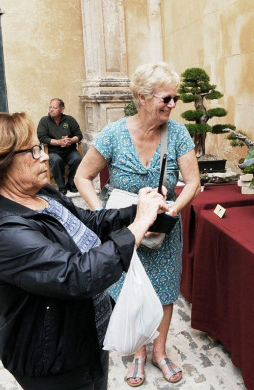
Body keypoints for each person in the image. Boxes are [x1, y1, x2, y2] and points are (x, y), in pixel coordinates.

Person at [0, 111, 168, 390]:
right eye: (34, 150)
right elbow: (77, 275)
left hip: (87, 336)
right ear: (0, 163)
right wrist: (138, 227)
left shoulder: (42, 195)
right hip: (52, 358)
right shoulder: (2, 231)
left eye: (42, 147)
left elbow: (88, 223)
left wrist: (136, 211)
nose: (45, 156)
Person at [75, 62, 201, 386]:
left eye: (176, 98)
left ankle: (159, 352)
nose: (173, 105)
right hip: (125, 231)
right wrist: (101, 212)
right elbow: (82, 176)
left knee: (165, 292)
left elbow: (192, 182)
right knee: (128, 291)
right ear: (143, 98)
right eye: (166, 98)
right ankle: (139, 354)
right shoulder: (114, 134)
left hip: (164, 230)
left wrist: (172, 209)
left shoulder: (178, 133)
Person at [37, 98, 83, 195]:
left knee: (77, 158)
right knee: (56, 160)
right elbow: (42, 138)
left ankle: (71, 183)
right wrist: (59, 142)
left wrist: (70, 140)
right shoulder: (44, 120)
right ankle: (62, 186)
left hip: (70, 150)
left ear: (62, 109)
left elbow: (79, 135)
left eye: (54, 107)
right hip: (53, 151)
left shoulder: (69, 120)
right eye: (50, 107)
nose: (51, 109)